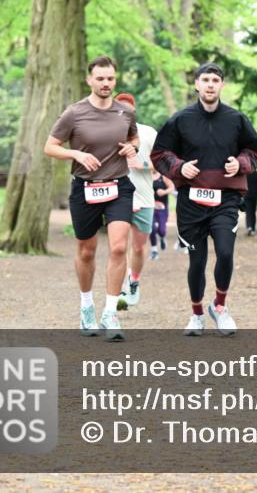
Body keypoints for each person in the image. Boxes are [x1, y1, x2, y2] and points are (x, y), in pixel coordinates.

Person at [151, 62, 257, 336]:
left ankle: (221, 307)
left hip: (226, 199)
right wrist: (179, 168)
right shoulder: (181, 119)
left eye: (216, 80)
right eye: (206, 79)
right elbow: (159, 154)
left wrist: (240, 164)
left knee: (225, 252)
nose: (211, 84)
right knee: (197, 262)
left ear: (222, 85)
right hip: (191, 200)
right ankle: (197, 314)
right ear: (197, 84)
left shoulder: (236, 119)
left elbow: (256, 151)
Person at [44, 56, 138, 341]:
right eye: (100, 78)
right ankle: (87, 306)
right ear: (90, 80)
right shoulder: (74, 113)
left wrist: (131, 149)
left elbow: (134, 139)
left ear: (115, 80)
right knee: (87, 250)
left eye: (110, 78)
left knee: (119, 247)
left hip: (119, 187)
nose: (106, 83)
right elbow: (50, 146)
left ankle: (110, 313)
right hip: (84, 188)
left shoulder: (125, 112)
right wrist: (76, 154)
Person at [113, 93, 157, 310]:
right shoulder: (107, 133)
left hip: (144, 197)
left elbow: (163, 164)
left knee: (138, 248)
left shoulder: (148, 133)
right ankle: (119, 288)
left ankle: (134, 281)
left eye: (127, 109)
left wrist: (144, 165)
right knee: (118, 248)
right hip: (117, 198)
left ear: (134, 109)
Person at [150, 169, 175, 260]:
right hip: (150, 206)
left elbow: (172, 187)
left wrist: (164, 192)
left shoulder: (163, 177)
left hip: (162, 207)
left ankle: (162, 238)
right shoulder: (146, 176)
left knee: (161, 230)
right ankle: (154, 250)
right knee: (152, 228)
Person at [244, 170, 257, 235]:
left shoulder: (245, 175)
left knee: (248, 211)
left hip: (246, 195)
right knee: (253, 211)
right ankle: (253, 228)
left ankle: (249, 226)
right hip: (255, 195)